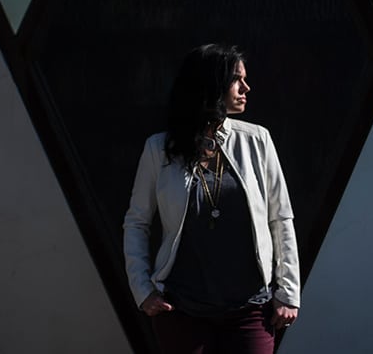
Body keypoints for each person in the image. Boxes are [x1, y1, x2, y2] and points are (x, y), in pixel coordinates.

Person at [123, 44, 300, 353]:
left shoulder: (257, 140)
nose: (246, 87)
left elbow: (280, 218)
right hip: (182, 311)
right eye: (236, 79)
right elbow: (137, 222)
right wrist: (143, 289)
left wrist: (288, 292)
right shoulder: (159, 149)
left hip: (250, 310)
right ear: (210, 86)